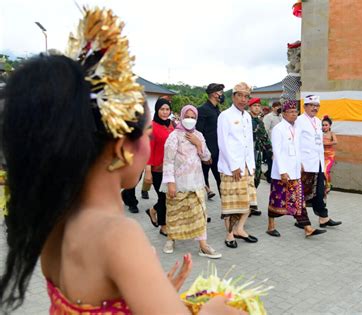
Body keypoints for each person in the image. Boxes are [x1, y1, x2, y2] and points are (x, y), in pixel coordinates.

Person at [0, 11, 238, 313]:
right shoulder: (118, 236)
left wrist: (151, 295)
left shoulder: (54, 222)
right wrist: (217, 306)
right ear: (121, 146)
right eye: (148, 133)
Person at [160, 105, 222, 259]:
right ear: (181, 117)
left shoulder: (199, 135)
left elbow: (207, 158)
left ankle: (203, 246)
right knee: (175, 212)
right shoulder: (174, 136)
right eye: (187, 116)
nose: (190, 119)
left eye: (193, 117)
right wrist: (170, 183)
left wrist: (198, 144)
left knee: (200, 214)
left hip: (196, 181)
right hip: (178, 182)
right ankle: (171, 239)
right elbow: (167, 161)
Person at [266, 100, 326, 238]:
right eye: (291, 112)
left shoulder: (296, 129)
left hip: (295, 171)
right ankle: (271, 226)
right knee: (277, 200)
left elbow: (298, 149)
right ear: (284, 114)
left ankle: (307, 228)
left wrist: (300, 164)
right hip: (282, 172)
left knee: (299, 199)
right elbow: (277, 151)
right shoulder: (278, 129)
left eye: (295, 112)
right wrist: (282, 171)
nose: (294, 114)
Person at [217, 82, 258, 249]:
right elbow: (223, 143)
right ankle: (229, 235)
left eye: (246, 96)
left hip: (247, 166)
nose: (243, 99)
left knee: (247, 201)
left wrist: (252, 165)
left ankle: (240, 229)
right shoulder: (225, 116)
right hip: (231, 168)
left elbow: (249, 143)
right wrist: (234, 165)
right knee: (232, 204)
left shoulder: (247, 116)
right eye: (239, 95)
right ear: (233, 96)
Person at [296, 95, 342, 229]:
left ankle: (323, 218)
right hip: (306, 163)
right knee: (303, 192)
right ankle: (301, 219)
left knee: (319, 191)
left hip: (318, 161)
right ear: (305, 106)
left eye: (317, 105)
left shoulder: (317, 121)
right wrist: (299, 162)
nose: (315, 108)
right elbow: (296, 142)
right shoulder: (299, 120)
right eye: (312, 105)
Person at [145, 98, 174, 236]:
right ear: (157, 110)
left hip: (171, 168)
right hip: (157, 169)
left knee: (168, 197)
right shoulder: (151, 126)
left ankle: (153, 210)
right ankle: (163, 226)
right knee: (163, 197)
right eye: (162, 109)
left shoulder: (172, 125)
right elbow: (148, 150)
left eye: (167, 109)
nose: (165, 112)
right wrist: (148, 172)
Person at [196, 83, 225, 200]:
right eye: (221, 92)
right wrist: (204, 153)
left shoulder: (218, 110)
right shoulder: (202, 110)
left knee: (221, 181)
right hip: (206, 152)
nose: (222, 95)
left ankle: (227, 209)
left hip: (218, 152)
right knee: (202, 178)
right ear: (214, 94)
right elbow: (198, 133)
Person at [248, 97, 273, 216]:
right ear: (250, 107)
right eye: (254, 106)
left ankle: (251, 205)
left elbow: (265, 138)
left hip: (257, 153)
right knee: (249, 180)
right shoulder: (246, 119)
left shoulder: (259, 121)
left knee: (256, 179)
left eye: (259, 106)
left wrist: (270, 152)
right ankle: (247, 206)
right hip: (248, 154)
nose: (257, 108)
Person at [263, 101, 282, 183]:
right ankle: (270, 178)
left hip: (280, 143)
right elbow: (265, 130)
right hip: (270, 143)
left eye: (279, 106)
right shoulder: (268, 117)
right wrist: (266, 143)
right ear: (273, 108)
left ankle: (270, 174)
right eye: (277, 106)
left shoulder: (281, 116)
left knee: (277, 161)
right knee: (271, 161)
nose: (278, 108)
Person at [322, 115, 337, 194]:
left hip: (330, 155)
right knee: (322, 171)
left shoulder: (331, 133)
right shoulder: (319, 133)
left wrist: (326, 143)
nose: (324, 127)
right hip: (321, 155)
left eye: (326, 125)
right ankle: (323, 186)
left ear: (330, 125)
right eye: (323, 125)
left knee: (325, 171)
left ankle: (328, 185)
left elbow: (335, 142)